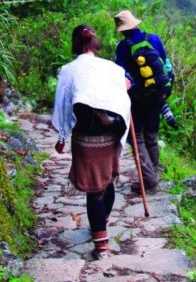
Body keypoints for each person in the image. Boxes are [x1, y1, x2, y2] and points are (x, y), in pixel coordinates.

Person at [51, 24, 131, 260]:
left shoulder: (69, 70)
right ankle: (101, 227)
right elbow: (125, 88)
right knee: (106, 182)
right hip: (111, 136)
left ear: (75, 44)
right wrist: (126, 86)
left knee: (94, 189)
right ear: (94, 44)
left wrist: (62, 136)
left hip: (86, 136)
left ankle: (101, 244)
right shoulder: (111, 68)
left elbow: (63, 102)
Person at [113, 10, 173, 192]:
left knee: (137, 138)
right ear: (136, 24)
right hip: (157, 96)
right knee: (152, 137)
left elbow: (120, 75)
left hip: (137, 99)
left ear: (123, 30)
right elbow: (166, 64)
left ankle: (149, 180)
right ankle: (152, 176)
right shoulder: (154, 39)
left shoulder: (122, 47)